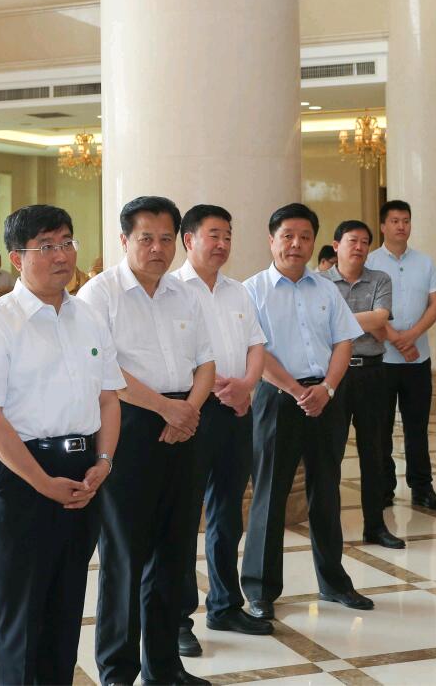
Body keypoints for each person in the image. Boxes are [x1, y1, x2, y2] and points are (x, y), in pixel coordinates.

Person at [0, 205, 123, 684]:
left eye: (67, 243)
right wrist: (42, 481)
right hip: (21, 477)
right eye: (47, 246)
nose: (62, 255)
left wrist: (104, 461)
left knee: (65, 609)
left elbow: (108, 398)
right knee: (19, 619)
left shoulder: (88, 317)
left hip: (83, 473)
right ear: (17, 258)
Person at [78, 195, 215, 686]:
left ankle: (164, 667)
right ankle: (117, 671)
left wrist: (188, 410)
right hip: (129, 423)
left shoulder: (186, 294)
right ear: (124, 240)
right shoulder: (99, 294)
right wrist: (164, 408)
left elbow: (207, 362)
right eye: (145, 238)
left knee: (174, 551)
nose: (157, 248)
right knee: (125, 552)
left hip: (185, 422)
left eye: (164, 239)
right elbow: (104, 369)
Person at [241, 203, 372, 619]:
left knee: (326, 490)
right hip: (278, 398)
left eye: (304, 237)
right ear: (271, 240)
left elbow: (344, 342)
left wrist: (327, 388)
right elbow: (256, 351)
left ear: (314, 242)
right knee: (269, 493)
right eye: (287, 236)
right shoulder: (252, 291)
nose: (296, 244)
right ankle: (260, 591)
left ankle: (334, 583)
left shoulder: (326, 289)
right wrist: (299, 391)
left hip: (326, 398)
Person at [172, 204, 273, 659]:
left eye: (228, 235)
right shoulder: (171, 290)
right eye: (214, 235)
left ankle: (225, 604)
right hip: (193, 411)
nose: (223, 244)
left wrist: (247, 386)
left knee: (228, 513)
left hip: (237, 409)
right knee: (181, 517)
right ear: (189, 239)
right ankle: (177, 619)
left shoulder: (239, 291)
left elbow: (256, 345)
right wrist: (211, 389)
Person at [323, 219, 404, 549]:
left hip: (372, 373)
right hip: (335, 375)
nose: (359, 247)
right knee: (331, 453)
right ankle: (329, 528)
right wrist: (367, 322)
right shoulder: (319, 282)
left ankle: (376, 526)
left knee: (375, 451)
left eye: (365, 242)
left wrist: (338, 320)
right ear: (336, 245)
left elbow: (381, 319)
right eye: (352, 240)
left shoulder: (380, 279)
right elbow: (319, 325)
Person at [367, 200, 436, 510]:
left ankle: (422, 487)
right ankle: (383, 488)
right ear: (383, 226)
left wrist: (411, 336)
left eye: (406, 220)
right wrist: (396, 339)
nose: (401, 226)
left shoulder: (425, 262)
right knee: (381, 428)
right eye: (395, 221)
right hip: (381, 360)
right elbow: (367, 309)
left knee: (417, 427)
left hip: (418, 359)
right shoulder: (370, 262)